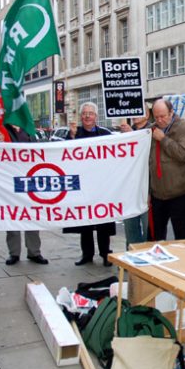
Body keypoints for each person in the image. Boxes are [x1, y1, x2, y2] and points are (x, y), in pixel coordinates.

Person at [64, 102, 116, 266]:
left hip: (102, 185)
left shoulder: (105, 134)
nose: (87, 116)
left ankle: (105, 254)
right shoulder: (74, 133)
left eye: (90, 113)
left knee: (103, 222)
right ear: (81, 117)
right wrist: (71, 137)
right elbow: (64, 153)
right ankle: (87, 254)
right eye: (84, 113)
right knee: (85, 221)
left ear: (96, 117)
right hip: (83, 186)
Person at [149, 99, 185, 241]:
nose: (159, 120)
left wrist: (163, 139)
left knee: (181, 237)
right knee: (157, 236)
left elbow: (183, 154)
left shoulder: (184, 128)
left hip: (180, 193)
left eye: (162, 116)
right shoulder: (152, 129)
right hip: (157, 194)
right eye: (156, 117)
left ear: (171, 112)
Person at [3, 124, 49, 266]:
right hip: (9, 179)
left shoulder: (29, 132)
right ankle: (14, 253)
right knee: (13, 216)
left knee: (32, 217)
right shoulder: (2, 131)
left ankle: (34, 252)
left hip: (29, 179)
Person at [119, 105, 153, 248]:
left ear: (147, 114)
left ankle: (146, 260)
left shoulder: (152, 131)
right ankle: (132, 257)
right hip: (129, 188)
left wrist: (134, 135)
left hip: (147, 188)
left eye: (140, 110)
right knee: (130, 228)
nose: (136, 114)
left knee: (147, 229)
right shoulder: (125, 132)